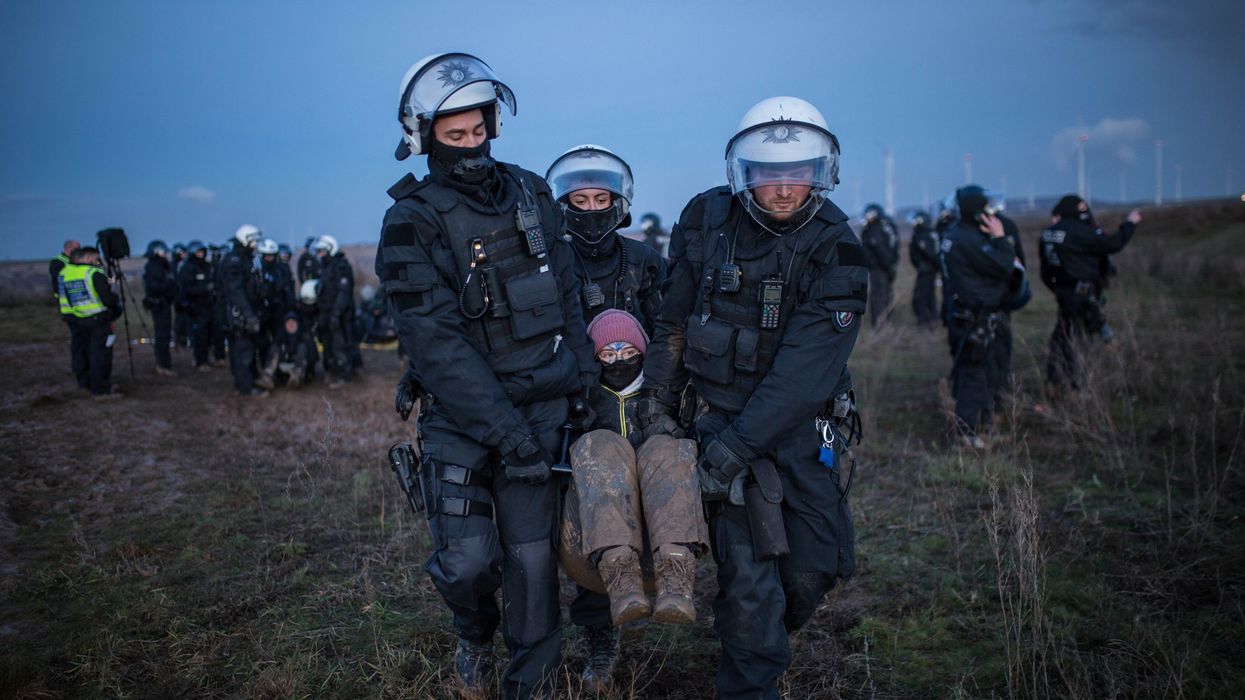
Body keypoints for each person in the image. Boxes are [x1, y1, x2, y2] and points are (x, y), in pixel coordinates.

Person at [377, 52, 598, 699]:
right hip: (463, 420)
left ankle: (529, 687)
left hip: (542, 411)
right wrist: (509, 437)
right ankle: (472, 633)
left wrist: (581, 388)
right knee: (469, 562)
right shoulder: (409, 222)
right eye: (455, 138)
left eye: (478, 133)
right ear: (424, 138)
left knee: (532, 567)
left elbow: (568, 295)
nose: (470, 149)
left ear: (493, 125)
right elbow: (438, 348)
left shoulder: (532, 192)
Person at [639, 96, 865, 699]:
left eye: (798, 175)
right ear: (746, 174)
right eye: (770, 175)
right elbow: (673, 320)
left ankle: (756, 636)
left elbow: (802, 377)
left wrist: (736, 449)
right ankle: (749, 671)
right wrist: (658, 409)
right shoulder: (706, 221)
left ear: (821, 173)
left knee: (814, 569)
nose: (785, 190)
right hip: (719, 421)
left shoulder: (837, 249)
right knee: (749, 578)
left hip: (799, 427)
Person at [545, 144, 668, 685]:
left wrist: (663, 397)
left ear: (618, 203)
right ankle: (598, 630)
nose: (591, 208)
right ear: (564, 204)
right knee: (579, 515)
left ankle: (661, 585)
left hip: (640, 404)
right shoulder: (548, 262)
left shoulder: (644, 261)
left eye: (601, 198)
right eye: (580, 198)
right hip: (572, 405)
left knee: (647, 502)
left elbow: (670, 330)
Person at [558, 309, 706, 691]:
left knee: (666, 447)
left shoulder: (665, 393)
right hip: (596, 533)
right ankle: (621, 578)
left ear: (641, 350)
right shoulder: (584, 401)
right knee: (599, 444)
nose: (618, 359)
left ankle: (676, 577)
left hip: (663, 516)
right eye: (606, 353)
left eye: (627, 350)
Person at [938, 185, 1023, 448]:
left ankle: (981, 427)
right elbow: (1004, 265)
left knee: (977, 373)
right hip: (975, 317)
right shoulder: (969, 240)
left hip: (965, 315)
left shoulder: (953, 234)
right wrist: (1000, 238)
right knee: (975, 376)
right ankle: (966, 434)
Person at [1040, 195, 1141, 392]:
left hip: (1063, 294)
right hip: (1082, 295)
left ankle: (1054, 382)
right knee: (1078, 341)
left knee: (1061, 338)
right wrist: (1130, 223)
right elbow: (1113, 243)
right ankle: (1074, 388)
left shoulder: (1048, 234)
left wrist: (1058, 290)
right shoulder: (1081, 233)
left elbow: (1045, 270)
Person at [58, 246, 123, 400]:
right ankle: (101, 391)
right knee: (100, 355)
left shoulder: (64, 273)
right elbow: (107, 298)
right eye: (95, 258)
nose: (97, 262)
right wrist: (115, 301)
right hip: (97, 320)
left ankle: (84, 383)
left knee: (81, 352)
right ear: (87, 258)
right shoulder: (93, 273)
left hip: (74, 320)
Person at [221, 224, 267, 397]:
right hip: (239, 314)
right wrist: (249, 316)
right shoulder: (235, 261)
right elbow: (236, 292)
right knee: (243, 350)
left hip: (245, 311)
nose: (255, 244)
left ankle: (244, 382)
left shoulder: (245, 259)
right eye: (253, 240)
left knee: (243, 349)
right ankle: (246, 387)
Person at [312, 234, 355, 388]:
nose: (319, 254)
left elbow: (344, 293)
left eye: (322, 251)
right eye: (318, 252)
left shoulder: (341, 266)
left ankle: (343, 376)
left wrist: (336, 314)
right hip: (325, 314)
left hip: (338, 315)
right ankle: (331, 372)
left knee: (340, 346)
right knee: (328, 346)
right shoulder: (325, 267)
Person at [178, 241, 216, 372]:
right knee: (199, 335)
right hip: (195, 307)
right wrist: (204, 288)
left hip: (208, 306)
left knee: (208, 334)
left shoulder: (207, 266)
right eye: (198, 252)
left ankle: (205, 358)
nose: (201, 254)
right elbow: (186, 289)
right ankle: (200, 361)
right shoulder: (188, 268)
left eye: (203, 252)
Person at [141, 239, 177, 376]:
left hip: (164, 303)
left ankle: (164, 363)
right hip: (159, 304)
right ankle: (163, 364)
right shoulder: (152, 266)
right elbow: (152, 287)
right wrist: (168, 284)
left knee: (165, 334)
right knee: (162, 335)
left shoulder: (162, 266)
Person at [860, 203, 898, 324]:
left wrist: (888, 267)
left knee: (879, 296)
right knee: (883, 294)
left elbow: (881, 250)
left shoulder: (875, 230)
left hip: (879, 268)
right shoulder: (882, 228)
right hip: (882, 268)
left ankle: (880, 324)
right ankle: (884, 321)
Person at [908, 210, 940, 327]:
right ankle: (932, 319)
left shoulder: (923, 235)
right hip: (928, 269)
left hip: (927, 270)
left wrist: (928, 265)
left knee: (921, 296)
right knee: (929, 295)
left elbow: (931, 253)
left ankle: (924, 321)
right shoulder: (929, 233)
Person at [171, 242, 190, 349]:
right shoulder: (175, 266)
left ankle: (183, 338)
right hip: (178, 296)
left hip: (183, 295)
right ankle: (179, 339)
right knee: (180, 319)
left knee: (185, 319)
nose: (185, 255)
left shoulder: (182, 264)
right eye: (182, 253)